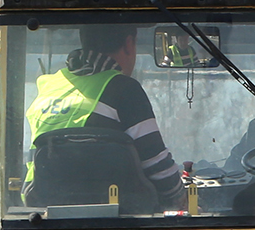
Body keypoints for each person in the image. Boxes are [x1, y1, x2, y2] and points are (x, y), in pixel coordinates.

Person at [23, 25, 186, 210]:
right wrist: (184, 199)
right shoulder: (123, 89)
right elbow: (158, 168)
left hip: (38, 216)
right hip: (116, 220)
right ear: (129, 44)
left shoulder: (48, 87)